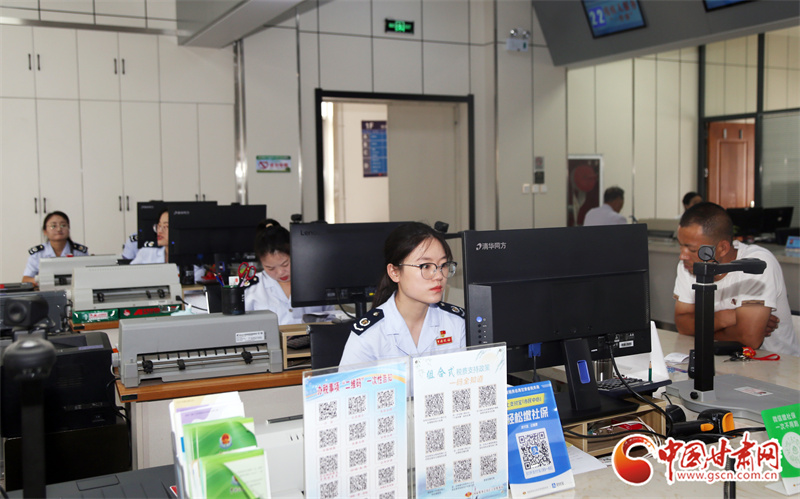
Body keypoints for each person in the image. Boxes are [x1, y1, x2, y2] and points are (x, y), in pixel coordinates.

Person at [673, 202, 800, 356]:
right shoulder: (688, 265)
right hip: (724, 358)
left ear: (723, 248)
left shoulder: (756, 264)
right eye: (681, 246)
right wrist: (727, 317)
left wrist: (701, 329)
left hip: (777, 362)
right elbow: (682, 324)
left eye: (692, 249)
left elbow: (750, 339)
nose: (682, 256)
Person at [339, 222, 466, 366]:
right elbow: (349, 381)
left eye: (443, 265)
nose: (438, 276)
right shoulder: (370, 334)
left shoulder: (457, 323)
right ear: (394, 272)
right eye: (425, 266)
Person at [244, 219, 333, 324]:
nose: (280, 272)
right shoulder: (252, 288)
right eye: (270, 268)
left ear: (295, 253)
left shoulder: (316, 281)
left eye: (285, 264)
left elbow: (331, 318)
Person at [130, 209, 205, 282]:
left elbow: (190, 288)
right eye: (159, 225)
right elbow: (129, 277)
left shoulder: (195, 264)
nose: (160, 231)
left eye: (166, 226)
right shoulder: (146, 253)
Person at [23, 211, 88, 283]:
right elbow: (26, 279)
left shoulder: (79, 252)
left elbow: (88, 276)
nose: (59, 229)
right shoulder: (38, 254)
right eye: (53, 226)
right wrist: (43, 281)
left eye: (63, 225)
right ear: (45, 231)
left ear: (68, 229)